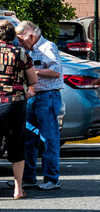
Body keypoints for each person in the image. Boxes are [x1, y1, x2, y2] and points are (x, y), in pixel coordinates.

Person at [16, 21, 63, 190]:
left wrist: (32, 71)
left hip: (47, 96)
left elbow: (56, 71)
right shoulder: (27, 50)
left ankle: (52, 179)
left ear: (31, 35)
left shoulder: (47, 47)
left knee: (48, 139)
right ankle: (29, 178)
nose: (20, 43)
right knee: (28, 138)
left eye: (21, 40)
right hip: (32, 96)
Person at [0, 20, 37, 199]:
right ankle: (18, 189)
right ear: (12, 35)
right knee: (17, 145)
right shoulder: (20, 52)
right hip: (14, 103)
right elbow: (33, 80)